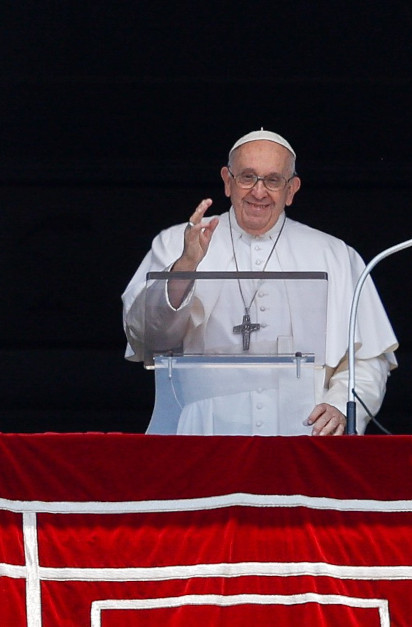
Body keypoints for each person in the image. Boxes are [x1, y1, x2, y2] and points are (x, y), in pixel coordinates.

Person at [122, 129, 397, 435]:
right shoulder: (176, 243)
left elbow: (370, 358)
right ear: (228, 181)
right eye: (247, 177)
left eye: (273, 180)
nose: (258, 192)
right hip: (201, 434)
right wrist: (186, 265)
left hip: (303, 437)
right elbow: (145, 337)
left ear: (291, 189)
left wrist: (341, 406)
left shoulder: (335, 254)